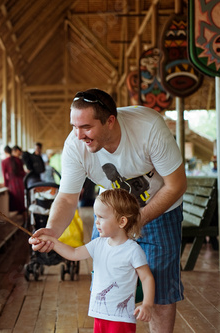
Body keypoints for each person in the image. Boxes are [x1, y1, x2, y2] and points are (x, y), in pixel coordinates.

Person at [29, 88, 187, 333]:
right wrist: (52, 230)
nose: (78, 135)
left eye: (86, 127)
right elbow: (68, 198)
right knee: (106, 285)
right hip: (111, 216)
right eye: (74, 126)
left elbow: (176, 185)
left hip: (160, 209)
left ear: (110, 121)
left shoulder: (149, 127)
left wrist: (137, 220)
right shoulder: (75, 145)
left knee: (161, 291)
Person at [36, 189, 155, 332]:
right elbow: (73, 253)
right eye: (96, 216)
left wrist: (147, 304)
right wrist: (52, 241)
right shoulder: (98, 243)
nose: (96, 222)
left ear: (122, 221)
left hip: (121, 318)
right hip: (99, 314)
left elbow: (147, 277)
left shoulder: (133, 250)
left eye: (101, 217)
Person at [1, 145, 26, 215]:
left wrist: (6, 184)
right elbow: (23, 172)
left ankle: (22, 220)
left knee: (16, 203)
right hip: (21, 183)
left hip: (12, 184)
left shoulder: (4, 162)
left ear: (5, 152)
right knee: (23, 203)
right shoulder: (18, 160)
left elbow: (4, 175)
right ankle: (25, 220)